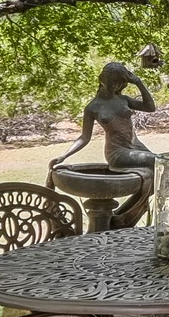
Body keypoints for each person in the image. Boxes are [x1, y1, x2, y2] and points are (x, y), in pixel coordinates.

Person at [51, 61, 158, 223]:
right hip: (118, 153)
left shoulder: (123, 100)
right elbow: (84, 137)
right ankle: (123, 217)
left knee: (162, 172)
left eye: (119, 82)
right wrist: (64, 156)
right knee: (163, 164)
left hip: (136, 147)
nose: (114, 85)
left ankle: (122, 216)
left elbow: (150, 107)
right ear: (102, 79)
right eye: (112, 80)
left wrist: (138, 82)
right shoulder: (93, 107)